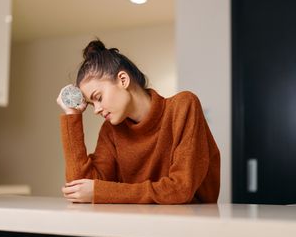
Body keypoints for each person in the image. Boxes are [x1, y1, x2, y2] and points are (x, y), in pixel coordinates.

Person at [56, 39, 220, 204]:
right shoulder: (111, 130)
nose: (96, 110)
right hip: (134, 224)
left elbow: (180, 189)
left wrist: (101, 191)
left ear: (123, 80)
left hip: (191, 223)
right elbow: (80, 189)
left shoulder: (183, 106)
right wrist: (72, 115)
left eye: (98, 98)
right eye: (92, 104)